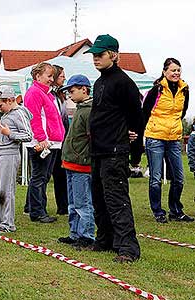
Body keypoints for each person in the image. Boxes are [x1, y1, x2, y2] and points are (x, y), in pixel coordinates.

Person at [84, 34, 142, 263]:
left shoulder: (124, 82)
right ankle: (105, 239)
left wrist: (135, 152)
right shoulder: (99, 82)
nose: (95, 59)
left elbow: (137, 117)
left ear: (114, 55)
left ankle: (128, 247)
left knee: (116, 199)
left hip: (115, 151)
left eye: (100, 55)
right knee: (99, 199)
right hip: (98, 150)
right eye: (94, 55)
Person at [142, 58, 194, 223]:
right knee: (156, 178)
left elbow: (182, 112)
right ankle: (158, 211)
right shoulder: (156, 90)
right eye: (173, 70)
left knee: (179, 178)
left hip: (173, 138)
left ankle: (176, 210)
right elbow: (145, 112)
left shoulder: (184, 90)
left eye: (178, 70)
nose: (176, 73)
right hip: (155, 137)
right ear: (165, 72)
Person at [0, 85, 32, 232]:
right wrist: (2, 131)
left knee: (6, 190)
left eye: (0, 105)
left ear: (10, 100)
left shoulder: (19, 113)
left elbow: (28, 135)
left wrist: (9, 133)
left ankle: (7, 224)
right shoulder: (6, 114)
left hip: (9, 155)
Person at [23, 62, 65, 223]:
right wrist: (41, 139)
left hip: (52, 142)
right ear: (38, 76)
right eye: (49, 76)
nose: (51, 79)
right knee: (39, 177)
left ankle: (37, 208)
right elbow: (34, 118)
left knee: (44, 177)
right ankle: (37, 211)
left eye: (52, 76)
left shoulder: (48, 94)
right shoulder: (34, 93)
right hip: (42, 143)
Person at [57, 75, 94, 248]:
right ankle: (74, 233)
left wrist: (84, 156)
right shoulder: (80, 108)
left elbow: (92, 138)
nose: (69, 95)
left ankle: (86, 235)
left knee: (82, 203)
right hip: (70, 163)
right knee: (73, 203)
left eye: (72, 91)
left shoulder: (89, 110)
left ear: (84, 89)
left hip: (81, 165)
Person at [51, 65, 69, 215]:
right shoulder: (51, 96)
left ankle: (63, 205)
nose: (64, 78)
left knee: (61, 173)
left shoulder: (61, 95)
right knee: (45, 175)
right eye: (62, 76)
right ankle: (31, 206)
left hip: (63, 136)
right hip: (54, 138)